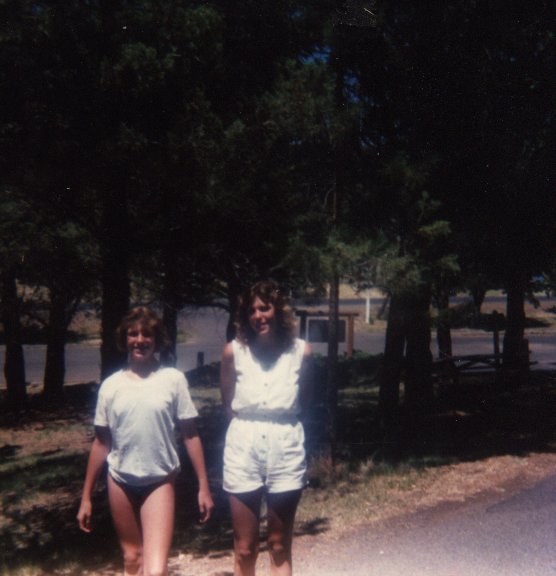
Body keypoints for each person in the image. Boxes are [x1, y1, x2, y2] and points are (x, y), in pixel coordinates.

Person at [77, 306, 214, 576]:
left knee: (155, 570)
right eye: (133, 334)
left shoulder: (173, 380)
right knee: (132, 559)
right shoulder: (111, 386)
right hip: (120, 480)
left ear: (157, 339)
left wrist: (204, 486)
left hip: (159, 480)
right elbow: (101, 443)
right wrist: (86, 497)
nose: (140, 340)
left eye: (147, 334)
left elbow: (190, 434)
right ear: (124, 338)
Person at [220, 280, 313, 576]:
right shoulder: (233, 352)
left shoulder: (301, 352)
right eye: (252, 311)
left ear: (279, 310)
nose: (258, 316)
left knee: (278, 544)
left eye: (265, 308)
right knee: (245, 548)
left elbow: (304, 401)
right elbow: (228, 404)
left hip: (285, 445)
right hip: (243, 446)